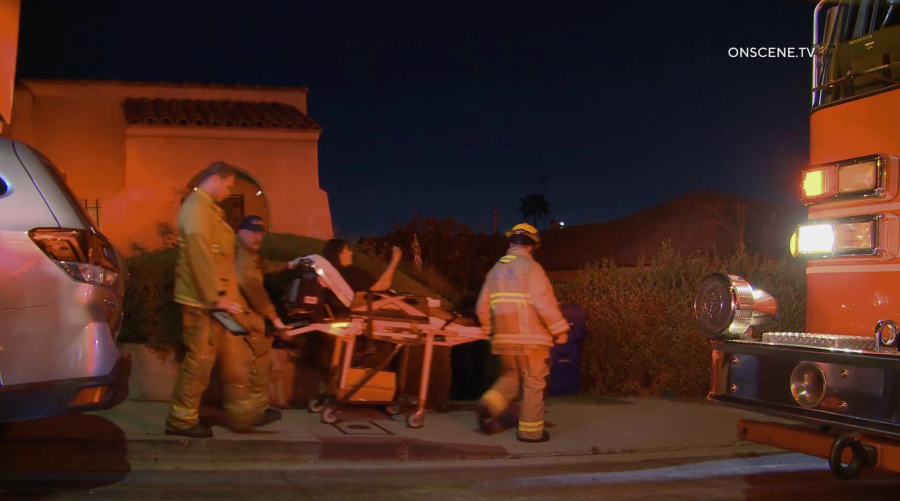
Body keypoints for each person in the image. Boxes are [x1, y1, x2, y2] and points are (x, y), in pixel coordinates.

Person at [165, 161, 247, 439]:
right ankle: (182, 420)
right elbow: (200, 258)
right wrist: (215, 299)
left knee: (211, 359)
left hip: (207, 300)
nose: (228, 190)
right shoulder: (198, 209)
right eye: (228, 184)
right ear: (214, 179)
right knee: (199, 359)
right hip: (201, 302)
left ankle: (241, 412)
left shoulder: (207, 210)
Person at [473, 223, 570, 443]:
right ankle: (530, 433)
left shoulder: (496, 270)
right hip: (531, 340)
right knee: (534, 382)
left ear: (511, 243)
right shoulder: (531, 268)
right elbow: (543, 303)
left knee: (511, 376)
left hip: (503, 340)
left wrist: (489, 331)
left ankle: (488, 404)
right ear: (533, 245)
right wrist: (560, 329)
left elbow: (481, 306)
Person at [232, 215, 302, 428]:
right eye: (253, 232)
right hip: (244, 315)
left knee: (252, 362)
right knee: (258, 360)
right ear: (240, 232)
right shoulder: (242, 258)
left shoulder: (247, 254)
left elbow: (263, 266)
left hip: (241, 314)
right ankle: (253, 414)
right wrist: (276, 319)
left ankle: (251, 412)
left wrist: (288, 265)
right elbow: (255, 291)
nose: (258, 237)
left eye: (261, 233)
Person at [320, 238, 402, 294]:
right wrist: (395, 260)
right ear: (339, 254)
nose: (351, 253)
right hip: (386, 306)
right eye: (347, 250)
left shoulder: (339, 276)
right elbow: (381, 286)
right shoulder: (351, 273)